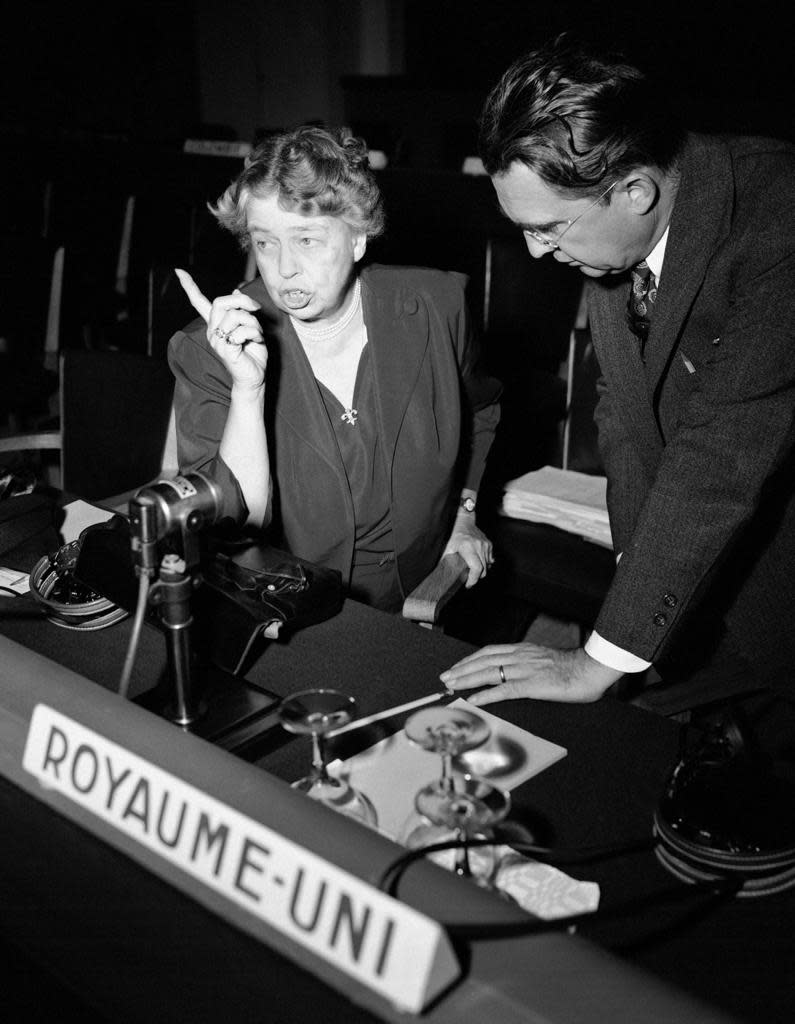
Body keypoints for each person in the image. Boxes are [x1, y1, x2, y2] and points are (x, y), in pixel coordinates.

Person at [442, 37, 795, 714]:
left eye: (548, 227)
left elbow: (720, 454)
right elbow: (626, 416)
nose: (534, 252)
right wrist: (632, 618)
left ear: (634, 189)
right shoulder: (612, 237)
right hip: (699, 567)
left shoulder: (778, 218)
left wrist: (596, 661)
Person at [169, 124, 500, 612]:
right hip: (284, 607)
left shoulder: (437, 305)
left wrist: (464, 513)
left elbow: (482, 410)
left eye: (307, 239)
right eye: (265, 243)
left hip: (418, 595)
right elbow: (232, 527)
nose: (283, 269)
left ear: (359, 239)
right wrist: (247, 389)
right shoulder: (211, 350)